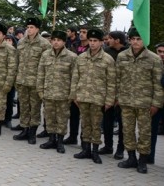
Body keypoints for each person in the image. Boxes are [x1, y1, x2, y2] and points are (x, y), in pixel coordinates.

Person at [116, 28, 163, 174]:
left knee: (145, 133)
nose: (135, 42)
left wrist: (156, 103)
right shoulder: (122, 56)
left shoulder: (154, 59)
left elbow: (158, 84)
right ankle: (131, 158)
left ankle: (143, 161)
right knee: (128, 131)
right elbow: (117, 79)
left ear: (144, 40)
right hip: (126, 101)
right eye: (133, 39)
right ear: (129, 40)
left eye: (139, 39)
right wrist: (117, 97)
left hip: (145, 103)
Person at [70, 28, 116, 164]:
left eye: (95, 41)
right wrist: (74, 95)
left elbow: (112, 82)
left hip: (98, 99)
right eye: (90, 40)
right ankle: (86, 149)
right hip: (83, 97)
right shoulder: (81, 57)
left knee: (96, 126)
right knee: (85, 124)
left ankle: (95, 151)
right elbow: (75, 77)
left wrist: (109, 100)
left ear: (102, 42)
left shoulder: (108, 60)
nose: (92, 43)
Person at [37, 30, 77, 153]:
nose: (55, 42)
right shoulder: (45, 55)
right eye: (53, 40)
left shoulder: (71, 57)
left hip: (63, 94)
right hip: (48, 92)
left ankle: (60, 142)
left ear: (64, 42)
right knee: (49, 117)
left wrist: (72, 94)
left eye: (58, 40)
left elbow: (74, 77)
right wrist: (40, 90)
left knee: (62, 119)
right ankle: (51, 139)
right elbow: (41, 73)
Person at [13, 17, 51, 144]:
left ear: (37, 29)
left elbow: (47, 65)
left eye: (32, 27)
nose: (29, 30)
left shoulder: (44, 44)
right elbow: (17, 61)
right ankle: (24, 129)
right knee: (23, 106)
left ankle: (32, 132)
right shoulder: (21, 42)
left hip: (35, 82)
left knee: (34, 107)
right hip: (22, 80)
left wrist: (43, 83)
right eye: (28, 27)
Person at [101, 31, 129, 159]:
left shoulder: (128, 53)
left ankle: (120, 149)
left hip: (123, 93)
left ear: (117, 40)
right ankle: (108, 146)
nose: (108, 40)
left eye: (111, 38)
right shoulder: (106, 51)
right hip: (107, 92)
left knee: (123, 124)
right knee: (107, 122)